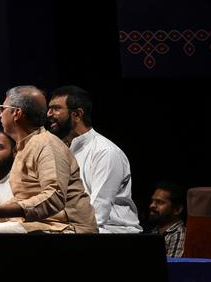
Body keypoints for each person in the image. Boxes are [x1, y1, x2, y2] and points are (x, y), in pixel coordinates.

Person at [0, 85, 98, 233]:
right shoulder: (24, 147)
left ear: (17, 113)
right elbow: (24, 198)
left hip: (69, 228)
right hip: (43, 224)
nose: (0, 114)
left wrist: (1, 211)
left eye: (2, 108)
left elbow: (54, 196)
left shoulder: (46, 144)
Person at [47, 85, 141, 233]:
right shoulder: (63, 152)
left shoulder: (105, 152)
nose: (49, 114)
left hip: (115, 234)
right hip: (78, 228)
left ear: (77, 115)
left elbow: (96, 215)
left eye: (56, 108)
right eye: (49, 108)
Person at [146, 180, 187, 258]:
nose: (152, 205)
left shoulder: (178, 234)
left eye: (159, 202)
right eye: (152, 201)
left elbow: (172, 268)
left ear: (177, 209)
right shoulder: (154, 231)